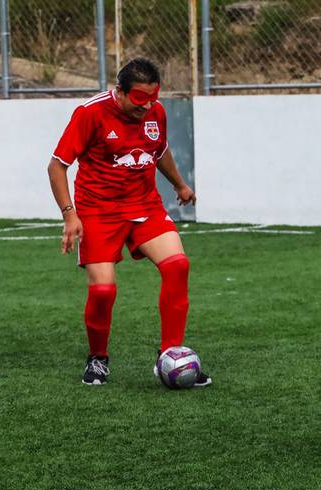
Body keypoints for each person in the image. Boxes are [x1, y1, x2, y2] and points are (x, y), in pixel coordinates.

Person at [47, 58, 211, 388]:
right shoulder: (90, 113)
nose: (147, 106)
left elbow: (159, 149)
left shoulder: (155, 112)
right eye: (139, 99)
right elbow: (56, 166)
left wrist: (179, 184)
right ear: (119, 92)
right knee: (104, 290)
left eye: (153, 97)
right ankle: (98, 358)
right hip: (98, 211)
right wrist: (70, 214)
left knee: (178, 265)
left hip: (145, 206)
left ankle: (170, 355)